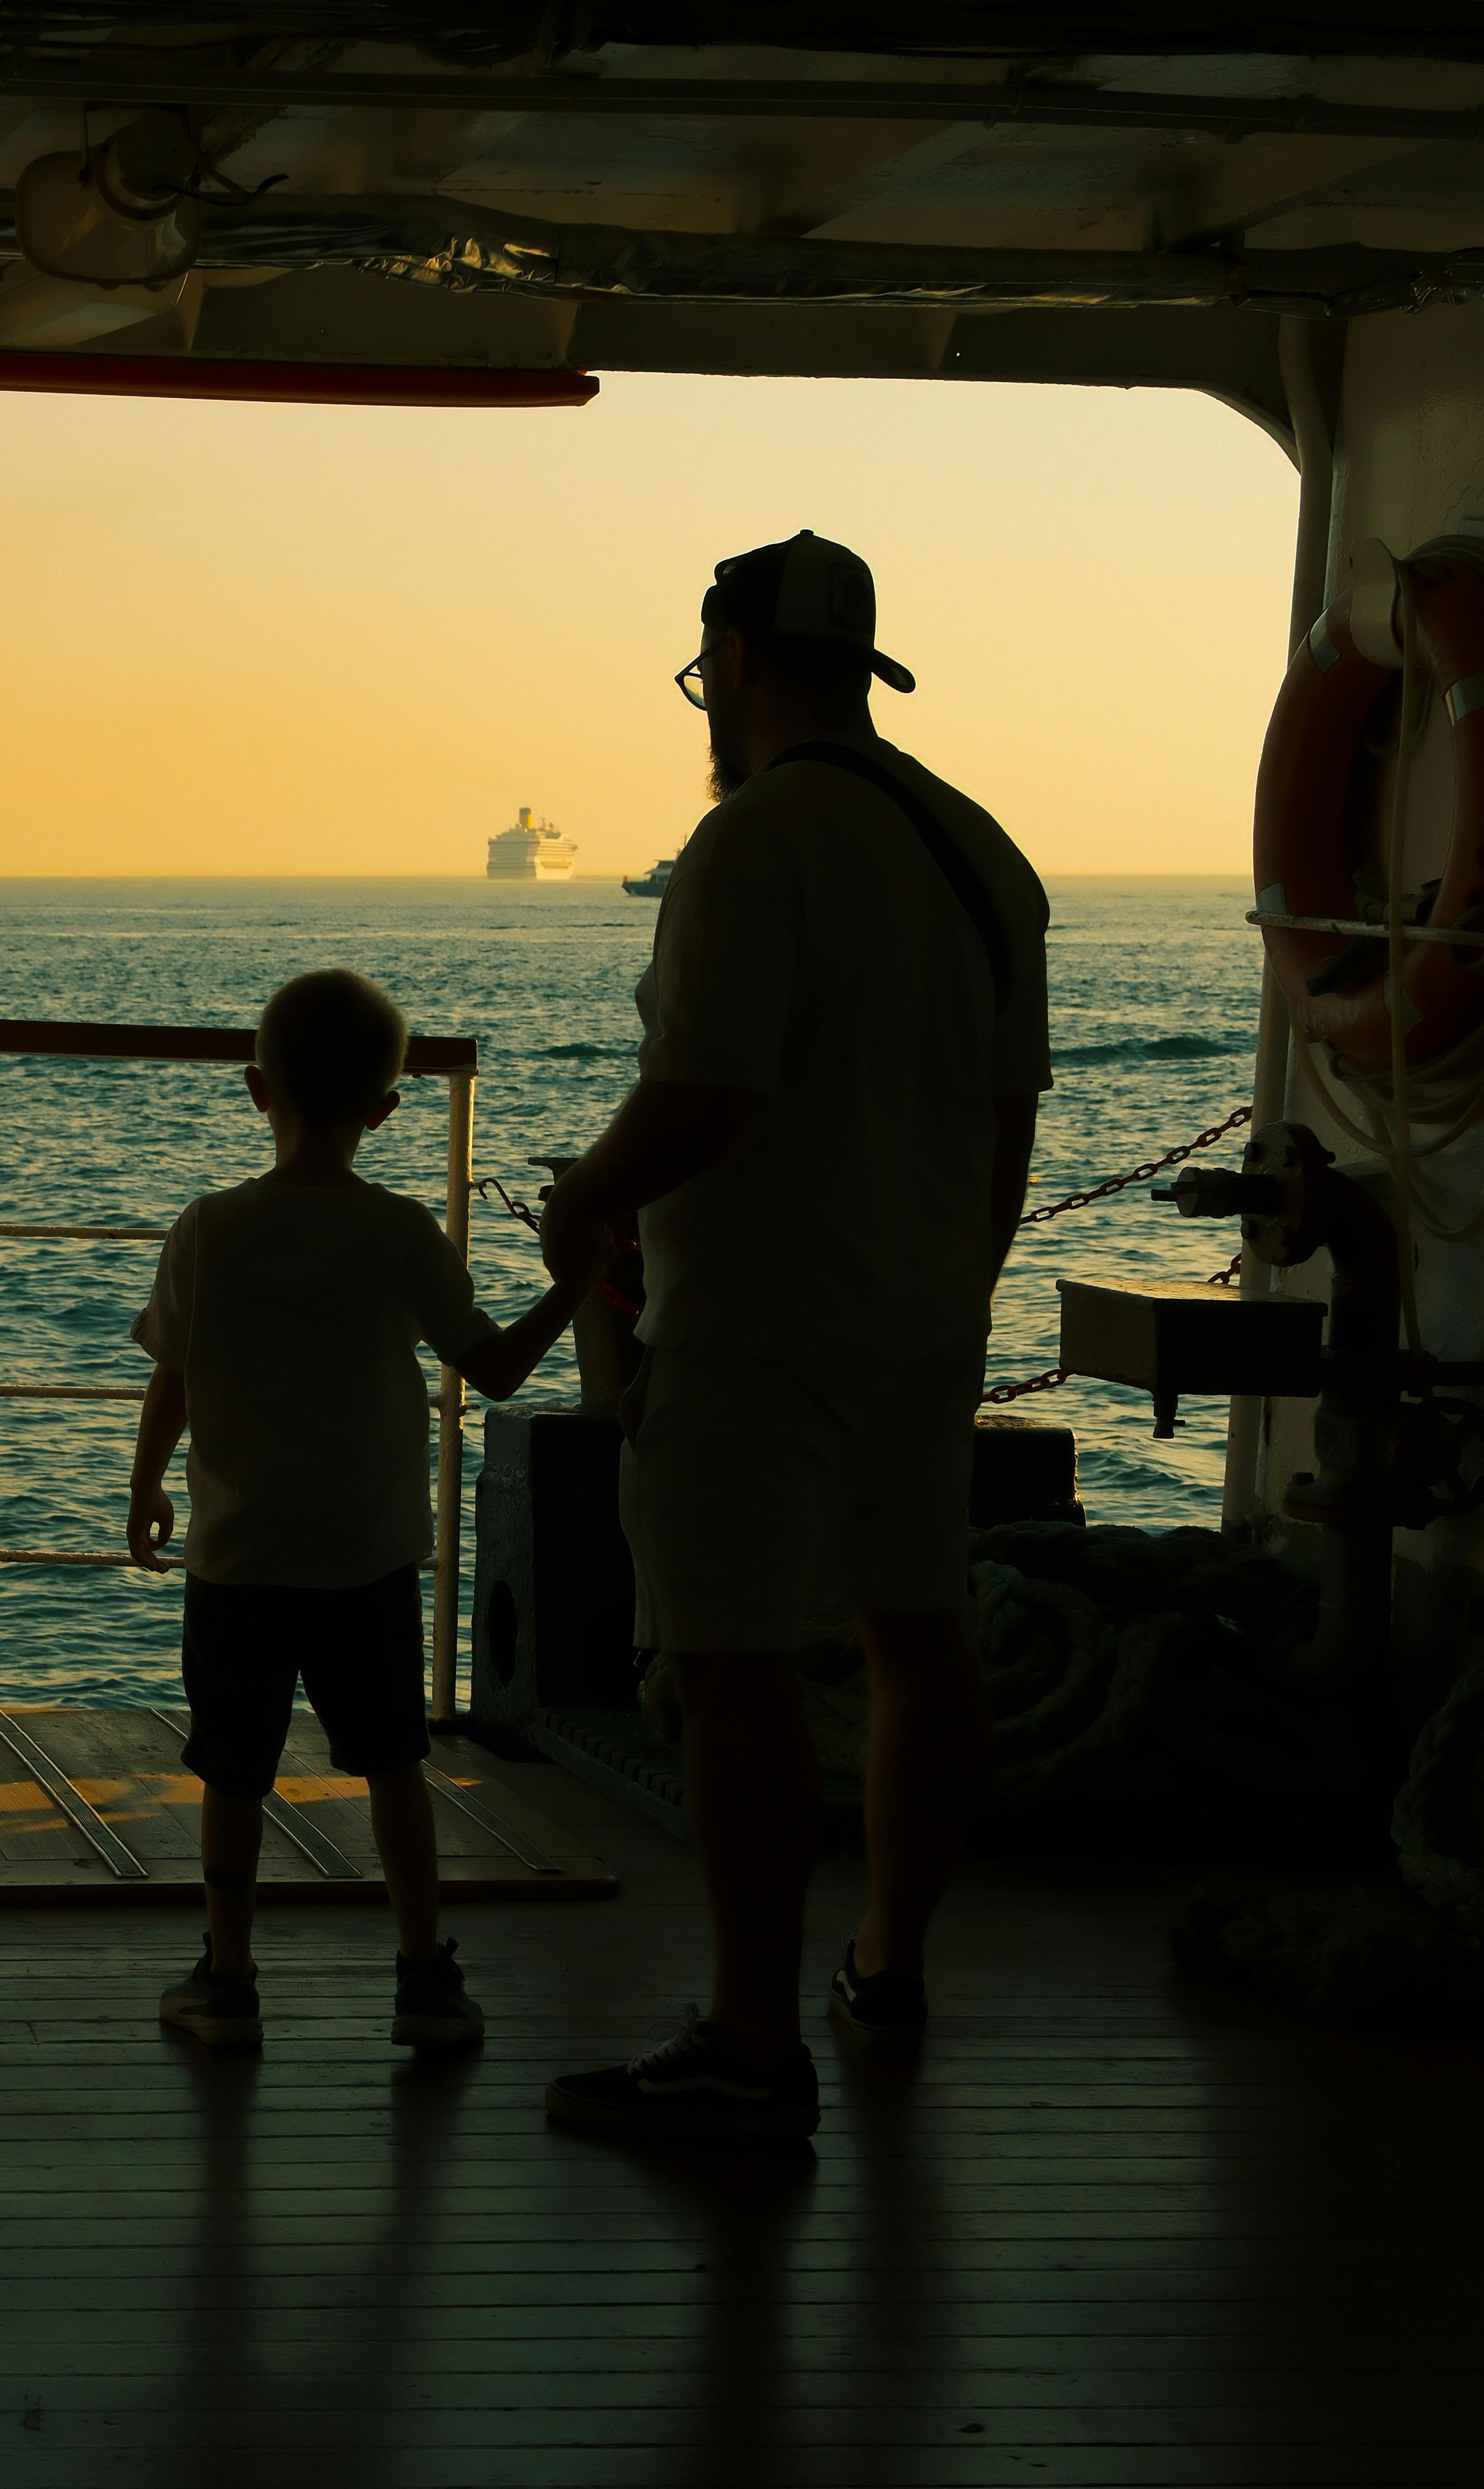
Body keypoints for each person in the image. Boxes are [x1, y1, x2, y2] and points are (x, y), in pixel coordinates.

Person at [536, 530, 1050, 2146]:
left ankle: (752, 2045)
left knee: (730, 1667)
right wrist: (959, 1281)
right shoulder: (980, 848)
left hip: (758, 1324)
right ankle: (888, 1962)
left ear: (733, 662)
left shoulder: (748, 846)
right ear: (865, 667)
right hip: (924, 1312)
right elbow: (1008, 1118)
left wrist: (581, 1199)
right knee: (920, 1631)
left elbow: (704, 1096)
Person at [128, 970, 578, 2053]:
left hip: (238, 1555)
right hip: (368, 1554)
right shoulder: (401, 1231)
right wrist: (575, 1283)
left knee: (233, 1771)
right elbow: (499, 1368)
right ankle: (424, 1977)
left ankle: (228, 1978)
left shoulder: (210, 1227)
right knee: (393, 1767)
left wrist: (145, 1482)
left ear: (255, 1089)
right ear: (386, 1107)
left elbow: (173, 1377)